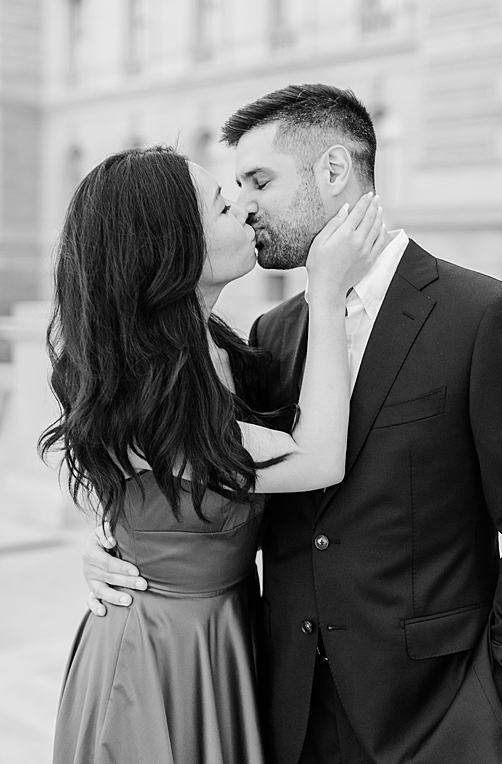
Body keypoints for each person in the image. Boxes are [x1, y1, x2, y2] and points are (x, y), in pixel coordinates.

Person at [81, 84, 502, 764]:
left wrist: (492, 703)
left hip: (431, 716)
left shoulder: (479, 314)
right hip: (271, 705)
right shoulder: (270, 337)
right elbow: (186, 467)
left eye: (257, 182)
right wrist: (122, 541)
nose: (244, 204)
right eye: (230, 194)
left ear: (334, 172)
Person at [43, 146, 386, 763]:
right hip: (156, 656)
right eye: (224, 206)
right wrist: (327, 292)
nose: (247, 211)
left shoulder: (219, 347)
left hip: (222, 636)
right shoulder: (149, 386)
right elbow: (317, 460)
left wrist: (117, 535)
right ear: (175, 251)